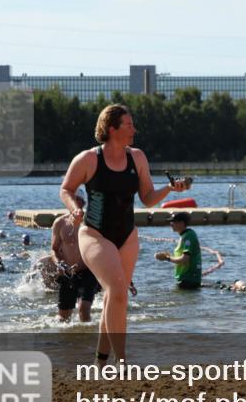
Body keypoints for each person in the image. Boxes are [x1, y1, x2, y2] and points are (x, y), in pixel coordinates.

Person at [60, 104, 189, 365]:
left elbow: (148, 198)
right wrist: (74, 209)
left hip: (127, 235)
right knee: (118, 290)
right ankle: (122, 362)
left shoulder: (137, 157)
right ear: (112, 128)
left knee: (114, 298)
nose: (134, 129)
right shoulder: (88, 159)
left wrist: (169, 189)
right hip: (94, 234)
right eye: (129, 125)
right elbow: (66, 189)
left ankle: (100, 362)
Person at [51, 193, 102, 322]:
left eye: (79, 200)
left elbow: (103, 247)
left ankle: (87, 340)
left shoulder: (91, 222)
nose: (75, 204)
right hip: (67, 272)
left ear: (84, 203)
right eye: (73, 200)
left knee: (83, 309)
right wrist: (59, 264)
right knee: (63, 317)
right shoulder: (60, 223)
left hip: (87, 270)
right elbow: (54, 249)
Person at [155, 211, 207, 290]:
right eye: (170, 221)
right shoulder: (185, 235)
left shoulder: (188, 236)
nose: (171, 224)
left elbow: (184, 260)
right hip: (187, 279)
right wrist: (168, 256)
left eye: (173, 221)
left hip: (189, 280)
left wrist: (167, 258)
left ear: (182, 223)